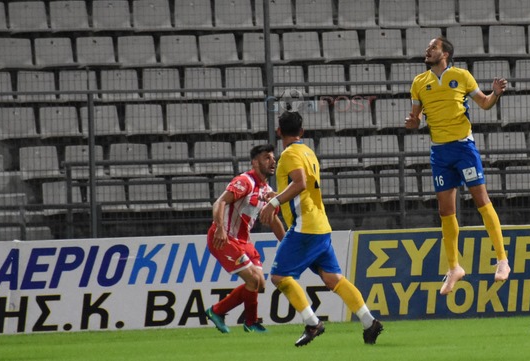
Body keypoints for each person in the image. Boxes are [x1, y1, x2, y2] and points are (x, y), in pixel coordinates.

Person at [259, 111, 383, 347]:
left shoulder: (289, 155)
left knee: (279, 276)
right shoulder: (308, 152)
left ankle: (312, 323)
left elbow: (300, 183)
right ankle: (370, 322)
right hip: (320, 225)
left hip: (304, 227)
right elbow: (302, 188)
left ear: (278, 131)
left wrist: (274, 202)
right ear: (302, 132)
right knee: (333, 279)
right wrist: (276, 195)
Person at [404, 36, 510, 296]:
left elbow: (484, 103)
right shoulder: (419, 82)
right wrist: (412, 122)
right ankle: (454, 268)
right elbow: (415, 118)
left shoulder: (462, 76)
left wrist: (495, 94)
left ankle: (502, 260)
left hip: (463, 148)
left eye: (433, 47)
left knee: (481, 201)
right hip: (439, 152)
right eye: (428, 47)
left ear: (445, 54)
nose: (427, 50)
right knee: (445, 211)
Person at [205, 144, 286, 334]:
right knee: (252, 280)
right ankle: (251, 322)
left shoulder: (267, 190)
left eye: (273, 158)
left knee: (260, 283)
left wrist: (287, 243)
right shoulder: (245, 181)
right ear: (255, 162)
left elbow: (273, 220)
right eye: (267, 158)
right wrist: (219, 228)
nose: (273, 161)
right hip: (223, 238)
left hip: (243, 241)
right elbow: (220, 202)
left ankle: (217, 311)